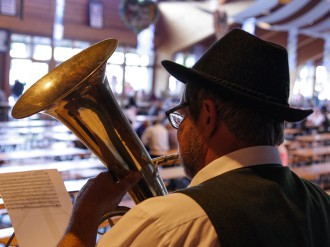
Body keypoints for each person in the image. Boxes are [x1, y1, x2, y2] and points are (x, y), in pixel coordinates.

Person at [57, 29, 330, 247]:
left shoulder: (167, 225)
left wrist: (85, 216)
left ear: (208, 116)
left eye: (182, 116)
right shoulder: (321, 204)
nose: (179, 128)